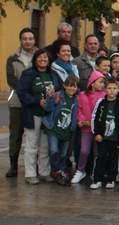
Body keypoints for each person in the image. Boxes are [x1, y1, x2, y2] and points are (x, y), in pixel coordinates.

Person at [18, 49, 61, 184]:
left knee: (45, 145)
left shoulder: (53, 74)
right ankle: (30, 174)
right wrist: (37, 101)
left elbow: (59, 88)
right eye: (40, 57)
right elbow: (22, 93)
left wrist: (56, 96)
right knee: (32, 144)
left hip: (48, 115)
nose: (43, 59)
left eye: (45, 58)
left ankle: (44, 172)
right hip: (33, 114)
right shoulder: (28, 74)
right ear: (35, 59)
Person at [5, 27, 37, 178]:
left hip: (35, 102)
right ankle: (13, 166)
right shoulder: (12, 58)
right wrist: (24, 92)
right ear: (21, 40)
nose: (28, 41)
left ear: (34, 40)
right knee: (16, 135)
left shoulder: (40, 56)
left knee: (35, 135)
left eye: (30, 38)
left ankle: (34, 165)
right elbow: (11, 79)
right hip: (17, 102)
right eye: (25, 39)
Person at [89, 80, 119, 189]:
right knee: (101, 157)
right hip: (102, 137)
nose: (112, 91)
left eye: (114, 88)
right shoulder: (101, 102)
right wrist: (96, 133)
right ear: (105, 89)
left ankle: (111, 179)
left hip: (115, 138)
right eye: (109, 88)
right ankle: (97, 179)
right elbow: (94, 118)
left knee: (114, 158)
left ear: (118, 90)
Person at [43, 76, 79, 185]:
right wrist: (50, 98)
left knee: (64, 154)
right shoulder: (58, 95)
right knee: (54, 151)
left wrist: (74, 127)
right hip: (54, 129)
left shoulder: (76, 100)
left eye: (74, 87)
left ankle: (61, 171)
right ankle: (57, 171)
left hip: (67, 131)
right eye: (69, 86)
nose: (72, 89)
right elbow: (48, 109)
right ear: (64, 86)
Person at [72, 71, 105, 184]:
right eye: (100, 82)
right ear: (92, 83)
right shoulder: (82, 95)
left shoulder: (103, 96)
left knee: (97, 152)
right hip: (86, 128)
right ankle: (80, 170)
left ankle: (95, 172)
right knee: (84, 151)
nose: (102, 85)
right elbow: (79, 109)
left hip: (99, 130)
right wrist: (81, 121)